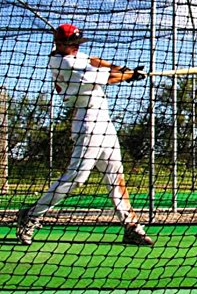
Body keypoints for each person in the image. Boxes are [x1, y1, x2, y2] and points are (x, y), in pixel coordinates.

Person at [16, 23, 154, 246]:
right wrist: (129, 76)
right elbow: (108, 78)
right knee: (77, 178)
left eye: (77, 43)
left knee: (115, 175)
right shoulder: (66, 63)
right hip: (87, 121)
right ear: (59, 44)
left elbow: (94, 60)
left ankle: (131, 226)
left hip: (103, 120)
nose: (77, 47)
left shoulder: (74, 56)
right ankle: (31, 214)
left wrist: (124, 68)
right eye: (72, 44)